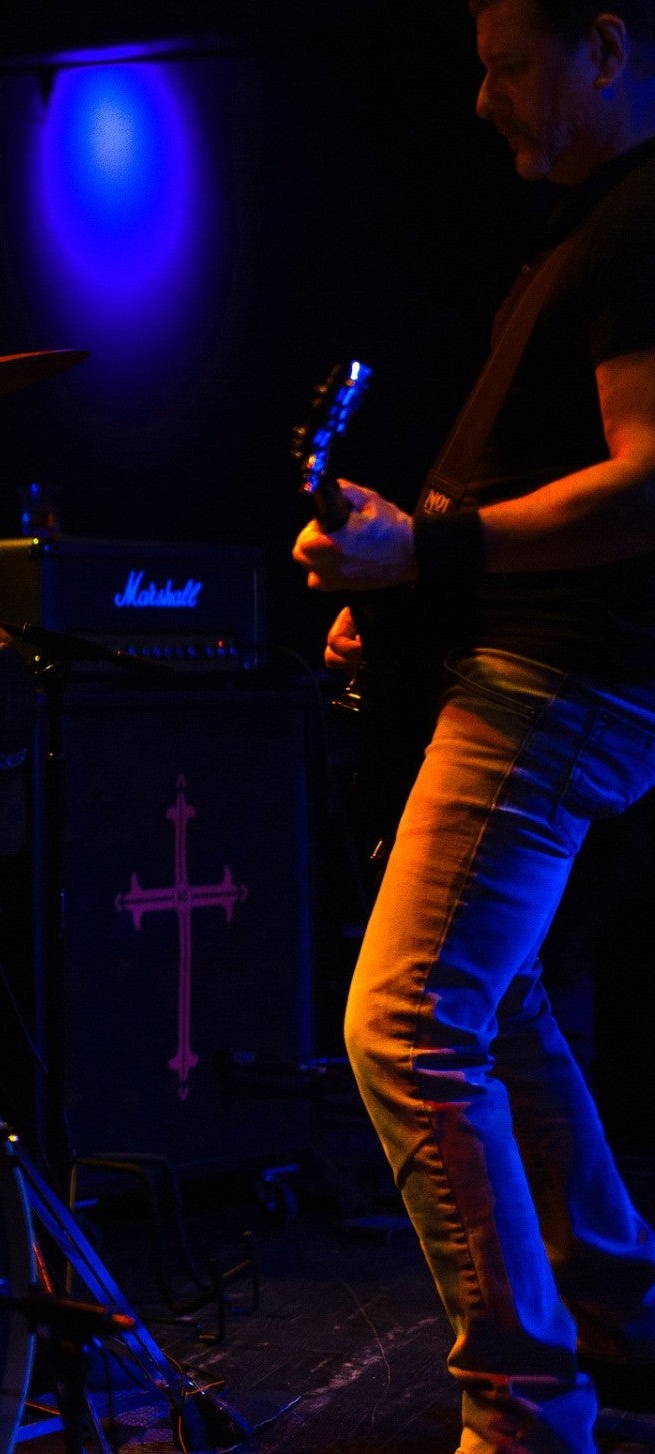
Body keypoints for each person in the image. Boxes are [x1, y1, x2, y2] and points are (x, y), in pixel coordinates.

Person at [293, 3, 654, 1449]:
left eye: (510, 64)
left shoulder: (640, 226)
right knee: (490, 1000)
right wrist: (400, 587)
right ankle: (621, 1308)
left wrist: (428, 558)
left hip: (559, 681)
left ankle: (523, 1404)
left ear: (607, 49)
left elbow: (648, 487)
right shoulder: (594, 227)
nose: (483, 99)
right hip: (532, 662)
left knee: (404, 1023)